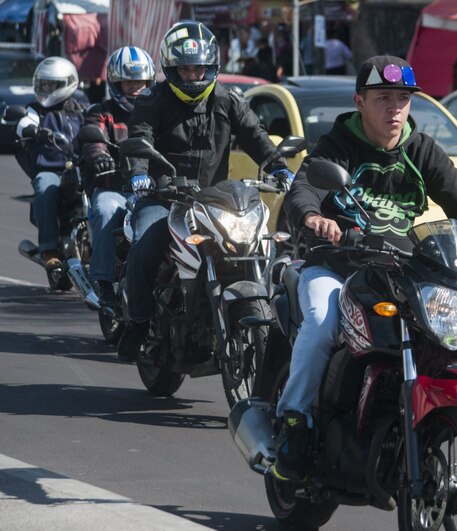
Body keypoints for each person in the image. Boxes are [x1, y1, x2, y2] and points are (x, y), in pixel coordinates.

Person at [272, 55, 457, 482]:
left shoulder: (421, 149)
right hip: (336, 266)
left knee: (455, 331)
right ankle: (295, 422)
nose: (394, 108)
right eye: (383, 98)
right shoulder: (337, 145)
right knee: (322, 323)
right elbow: (305, 188)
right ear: (360, 101)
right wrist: (312, 218)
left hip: (398, 272)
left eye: (403, 98)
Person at [116, 21, 294, 362]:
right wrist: (140, 175)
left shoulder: (228, 99)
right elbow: (139, 139)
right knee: (146, 245)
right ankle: (137, 323)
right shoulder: (153, 100)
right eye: (184, 68)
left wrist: (277, 166)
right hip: (163, 198)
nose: (193, 75)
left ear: (212, 67)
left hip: (213, 200)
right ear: (171, 68)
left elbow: (255, 135)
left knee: (253, 242)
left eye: (199, 67)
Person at [81, 46, 156, 307]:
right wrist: (99, 156)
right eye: (129, 81)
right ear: (116, 82)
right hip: (115, 187)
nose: (136, 87)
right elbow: (92, 138)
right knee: (105, 210)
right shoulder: (101, 111)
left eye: (141, 81)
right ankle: (103, 284)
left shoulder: (159, 111)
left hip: (154, 190)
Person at [15, 56, 85, 274]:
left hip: (82, 166)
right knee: (46, 190)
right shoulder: (36, 110)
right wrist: (32, 129)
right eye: (43, 84)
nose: (46, 88)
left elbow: (97, 123)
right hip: (50, 168)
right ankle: (49, 251)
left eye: (52, 84)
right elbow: (24, 122)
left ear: (68, 83)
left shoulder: (82, 108)